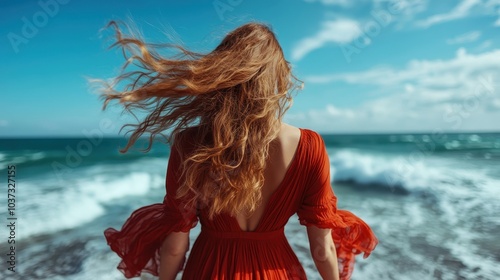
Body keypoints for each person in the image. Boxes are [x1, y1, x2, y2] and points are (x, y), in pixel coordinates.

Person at [98, 20, 378, 280]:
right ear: (279, 80)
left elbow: (175, 246)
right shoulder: (309, 146)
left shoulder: (189, 143)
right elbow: (321, 247)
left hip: (208, 268)